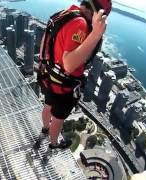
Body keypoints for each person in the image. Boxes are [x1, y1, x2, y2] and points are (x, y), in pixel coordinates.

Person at [35, 0, 112, 150]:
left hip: (51, 75)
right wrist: (96, 33)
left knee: (47, 105)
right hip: (64, 85)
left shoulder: (66, 13)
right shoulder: (80, 24)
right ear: (98, 13)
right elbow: (69, 64)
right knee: (58, 118)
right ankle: (53, 144)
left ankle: (45, 129)